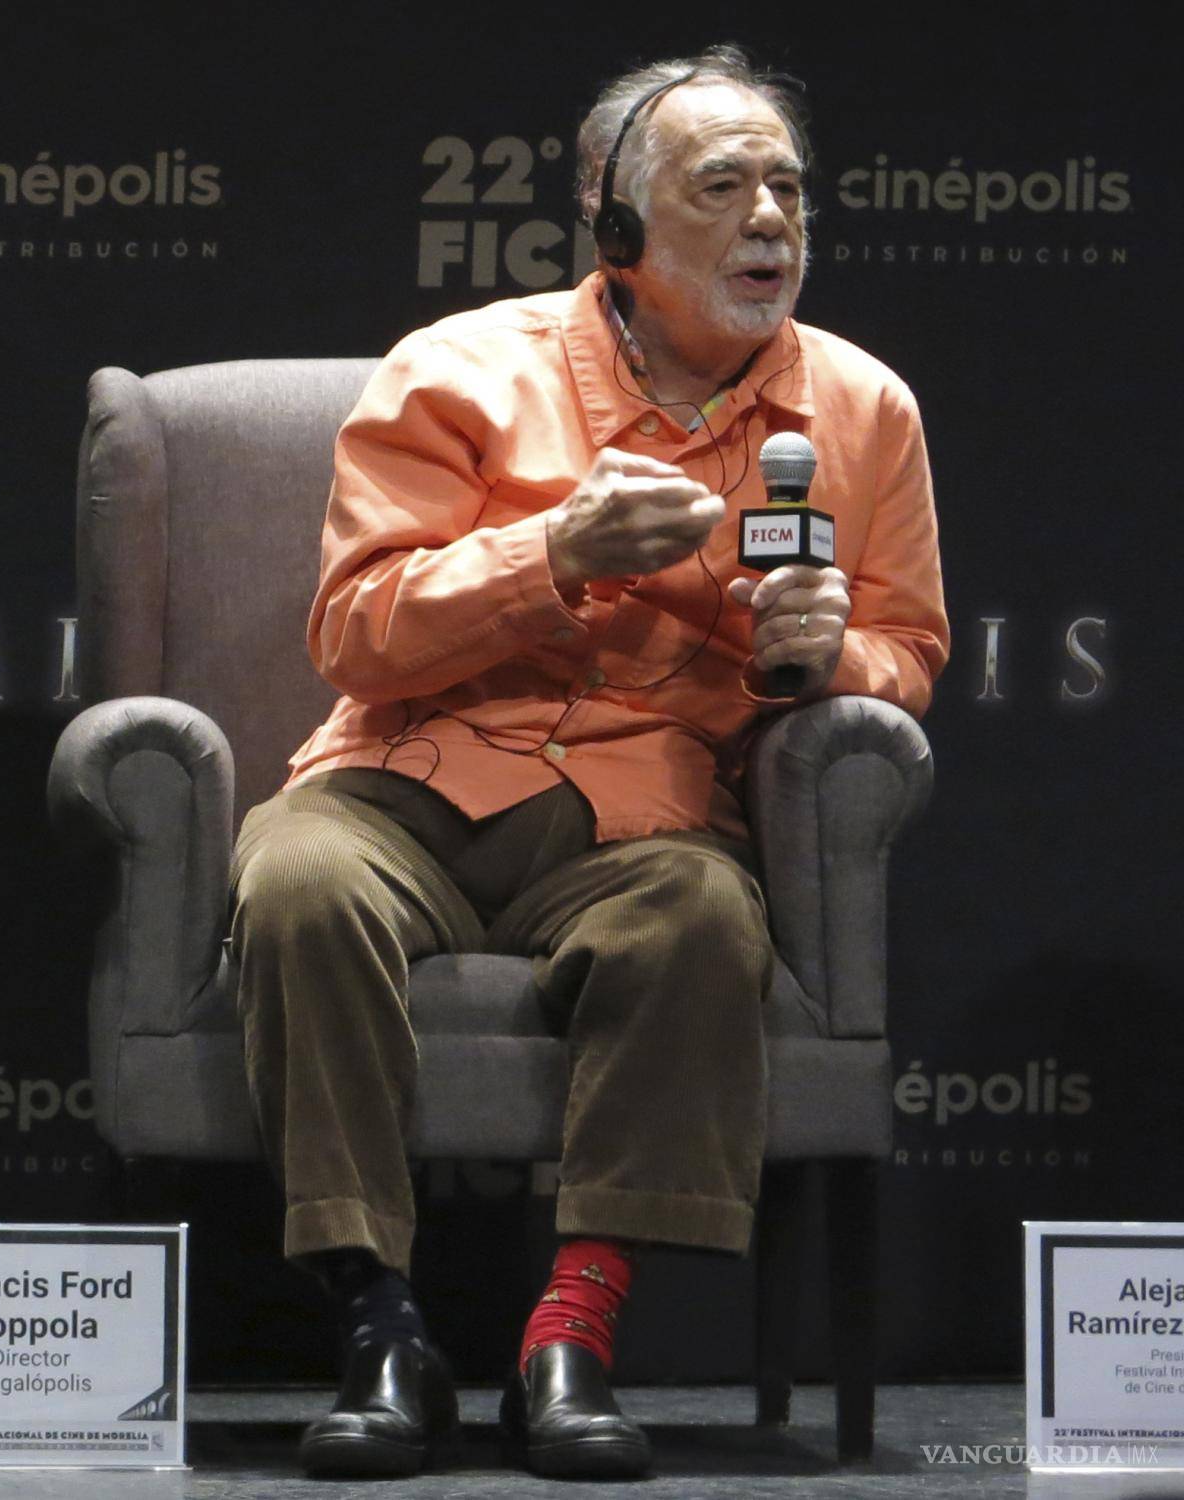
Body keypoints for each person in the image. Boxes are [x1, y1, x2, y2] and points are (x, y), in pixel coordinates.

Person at [229, 44, 948, 1481]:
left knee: (703, 919)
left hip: (646, 814)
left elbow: (908, 649)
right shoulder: (458, 370)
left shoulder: (864, 412)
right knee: (300, 883)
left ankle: (574, 1338)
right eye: (723, 187)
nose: (769, 221)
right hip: (411, 778)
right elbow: (357, 632)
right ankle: (380, 1329)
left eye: (789, 191)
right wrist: (549, 551)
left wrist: (827, 658)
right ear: (617, 226)